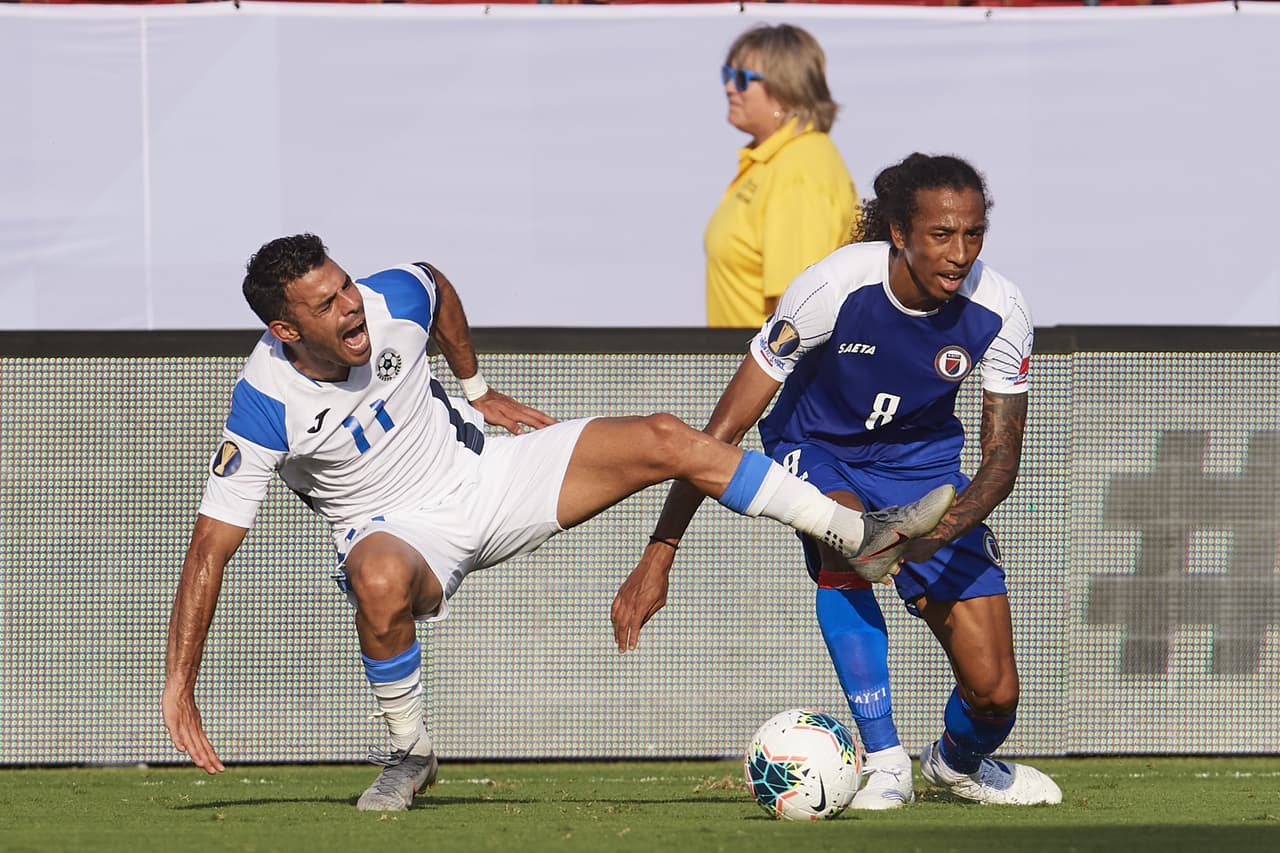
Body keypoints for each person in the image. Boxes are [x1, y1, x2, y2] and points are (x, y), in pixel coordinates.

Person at [161, 233, 955, 812]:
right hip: (397, 531)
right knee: (374, 576)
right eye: (326, 305)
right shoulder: (262, 404)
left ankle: (860, 535)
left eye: (343, 287)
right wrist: (180, 684)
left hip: (492, 472)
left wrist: (475, 387)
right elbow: (207, 552)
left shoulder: (389, 296)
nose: (350, 307)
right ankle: (409, 751)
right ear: (286, 330)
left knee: (666, 437)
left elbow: (436, 284)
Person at [611, 154, 1062, 807]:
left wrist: (934, 535)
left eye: (974, 234)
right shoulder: (830, 289)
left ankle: (957, 764)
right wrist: (661, 550)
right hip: (817, 447)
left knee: (995, 694)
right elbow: (720, 434)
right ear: (900, 234)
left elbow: (1001, 460)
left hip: (923, 469)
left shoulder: (1001, 307)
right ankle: (886, 761)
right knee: (847, 537)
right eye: (941, 234)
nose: (960, 253)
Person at [705, 23, 860, 328]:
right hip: (743, 352)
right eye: (727, 74)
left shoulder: (798, 169)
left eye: (742, 79)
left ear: (785, 90)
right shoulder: (775, 160)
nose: (729, 88)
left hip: (764, 357)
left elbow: (798, 312)